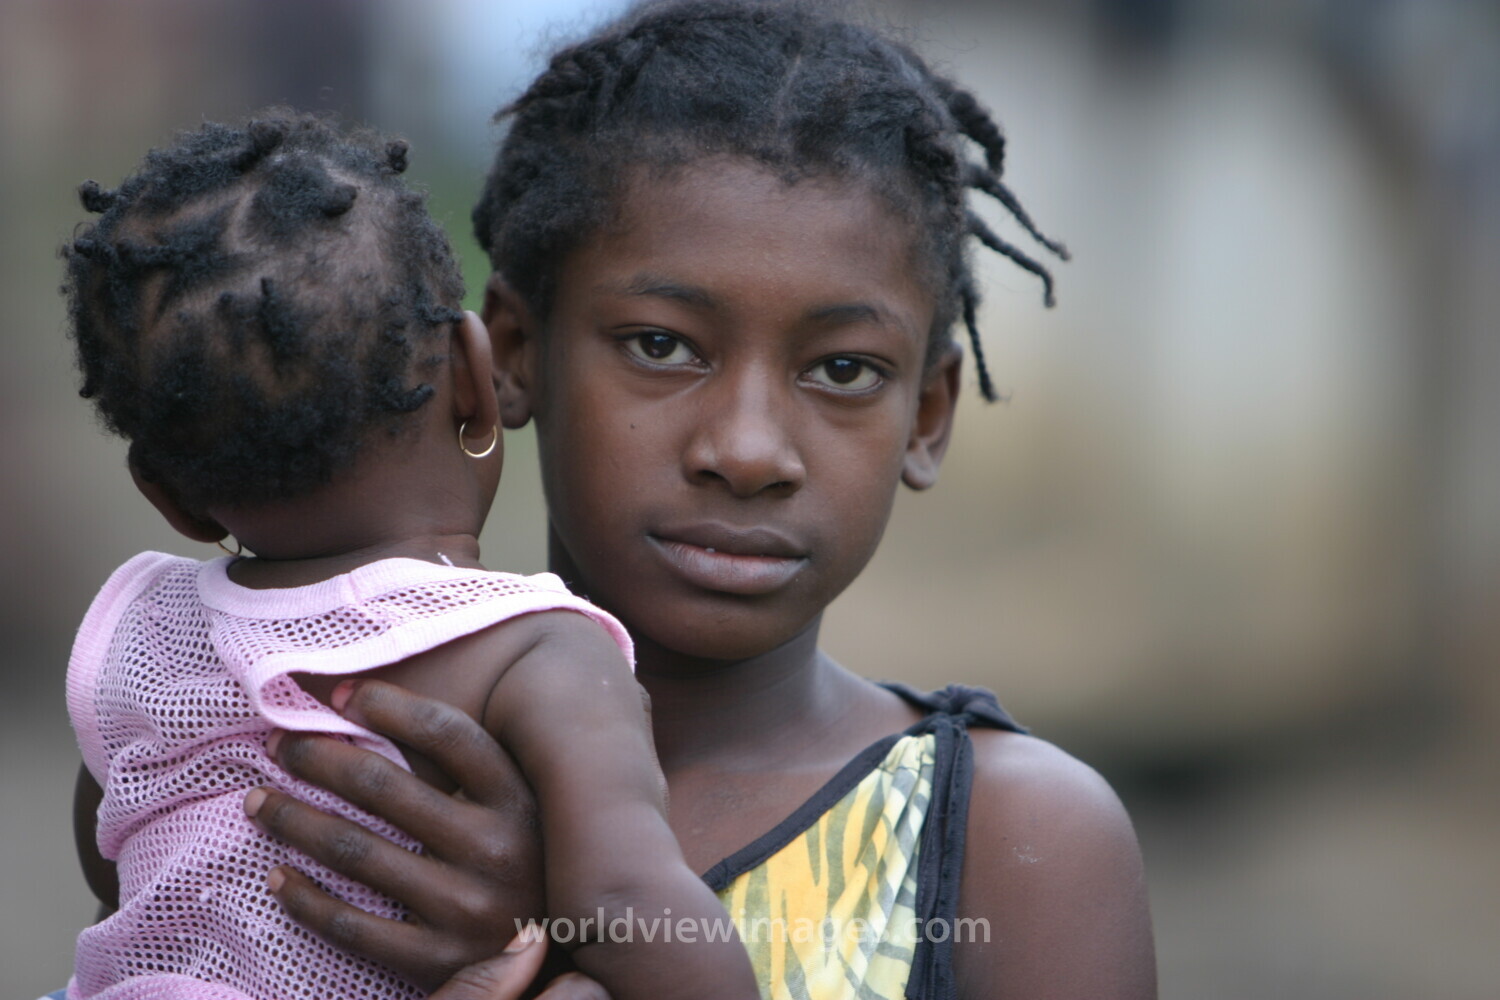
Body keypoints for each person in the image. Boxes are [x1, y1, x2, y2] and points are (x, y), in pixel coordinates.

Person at [239, 2, 1158, 999]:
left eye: (843, 368)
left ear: (926, 415)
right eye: (662, 345)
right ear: (507, 354)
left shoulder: (1004, 840)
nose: (749, 450)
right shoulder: (329, 765)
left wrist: (547, 932)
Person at [59, 109, 759, 1000]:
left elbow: (111, 869)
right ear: (474, 377)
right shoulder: (532, 651)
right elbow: (627, 910)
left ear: (169, 497)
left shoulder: (140, 638)